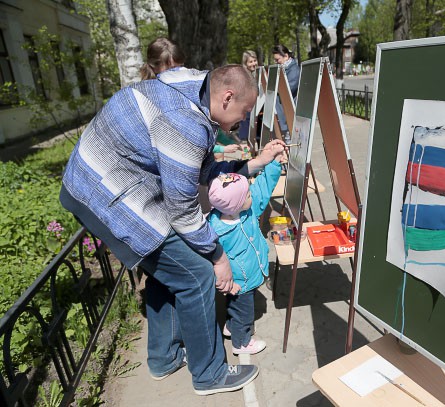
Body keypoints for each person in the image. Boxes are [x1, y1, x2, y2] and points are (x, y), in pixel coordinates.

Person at [60, 60, 288, 395]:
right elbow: (182, 211)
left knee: (171, 271)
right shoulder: (184, 123)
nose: (245, 119)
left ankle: (164, 358)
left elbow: (201, 168)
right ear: (226, 97)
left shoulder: (193, 85)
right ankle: (210, 375)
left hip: (98, 178)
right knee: (196, 273)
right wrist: (217, 256)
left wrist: (251, 165)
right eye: (246, 109)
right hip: (104, 191)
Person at [207, 145, 287, 355]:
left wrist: (274, 164)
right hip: (239, 281)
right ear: (236, 204)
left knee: (235, 307)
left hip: (244, 277)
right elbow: (211, 259)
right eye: (247, 195)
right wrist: (225, 283)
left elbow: (261, 189)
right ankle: (241, 343)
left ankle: (231, 327)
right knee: (244, 312)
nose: (251, 195)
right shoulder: (217, 230)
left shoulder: (240, 211)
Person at [272, 45, 300, 142]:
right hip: (283, 113)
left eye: (277, 59)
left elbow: (287, 91)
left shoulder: (294, 70)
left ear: (286, 56)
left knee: (288, 141)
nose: (276, 62)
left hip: (288, 114)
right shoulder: (284, 69)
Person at [238, 50, 259, 142]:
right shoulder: (243, 76)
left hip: (254, 112)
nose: (254, 63)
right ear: (245, 63)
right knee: (246, 140)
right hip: (246, 113)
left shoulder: (256, 74)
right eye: (250, 62)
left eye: (255, 60)